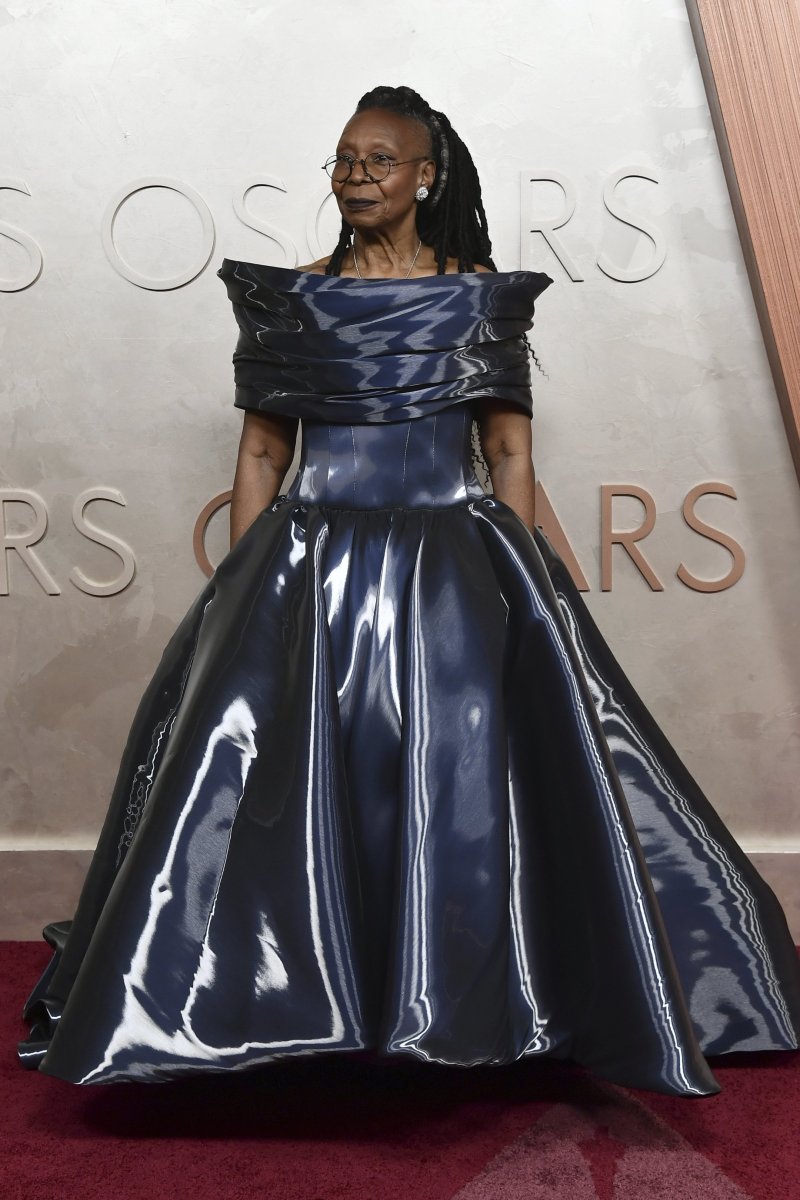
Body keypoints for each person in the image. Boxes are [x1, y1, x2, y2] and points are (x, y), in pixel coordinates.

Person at [18, 84, 800, 1096]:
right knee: (277, 797)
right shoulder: (293, 296)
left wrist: (529, 586)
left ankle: (480, 1004)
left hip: (451, 572)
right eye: (344, 160)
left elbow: (506, 450)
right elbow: (262, 453)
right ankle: (272, 1006)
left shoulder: (476, 296)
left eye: (378, 161)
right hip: (309, 568)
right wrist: (243, 594)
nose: (356, 177)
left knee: (458, 789)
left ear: (425, 176)